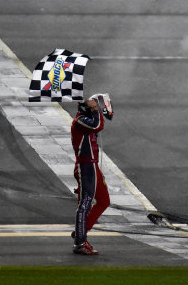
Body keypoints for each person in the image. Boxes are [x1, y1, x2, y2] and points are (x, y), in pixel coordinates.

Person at [71, 93, 113, 255]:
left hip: (91, 166)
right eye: (92, 107)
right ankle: (80, 242)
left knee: (103, 201)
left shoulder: (83, 120)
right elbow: (97, 126)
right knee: (85, 203)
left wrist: (96, 105)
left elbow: (101, 122)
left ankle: (80, 233)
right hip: (86, 166)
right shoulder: (80, 121)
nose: (95, 108)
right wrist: (95, 108)